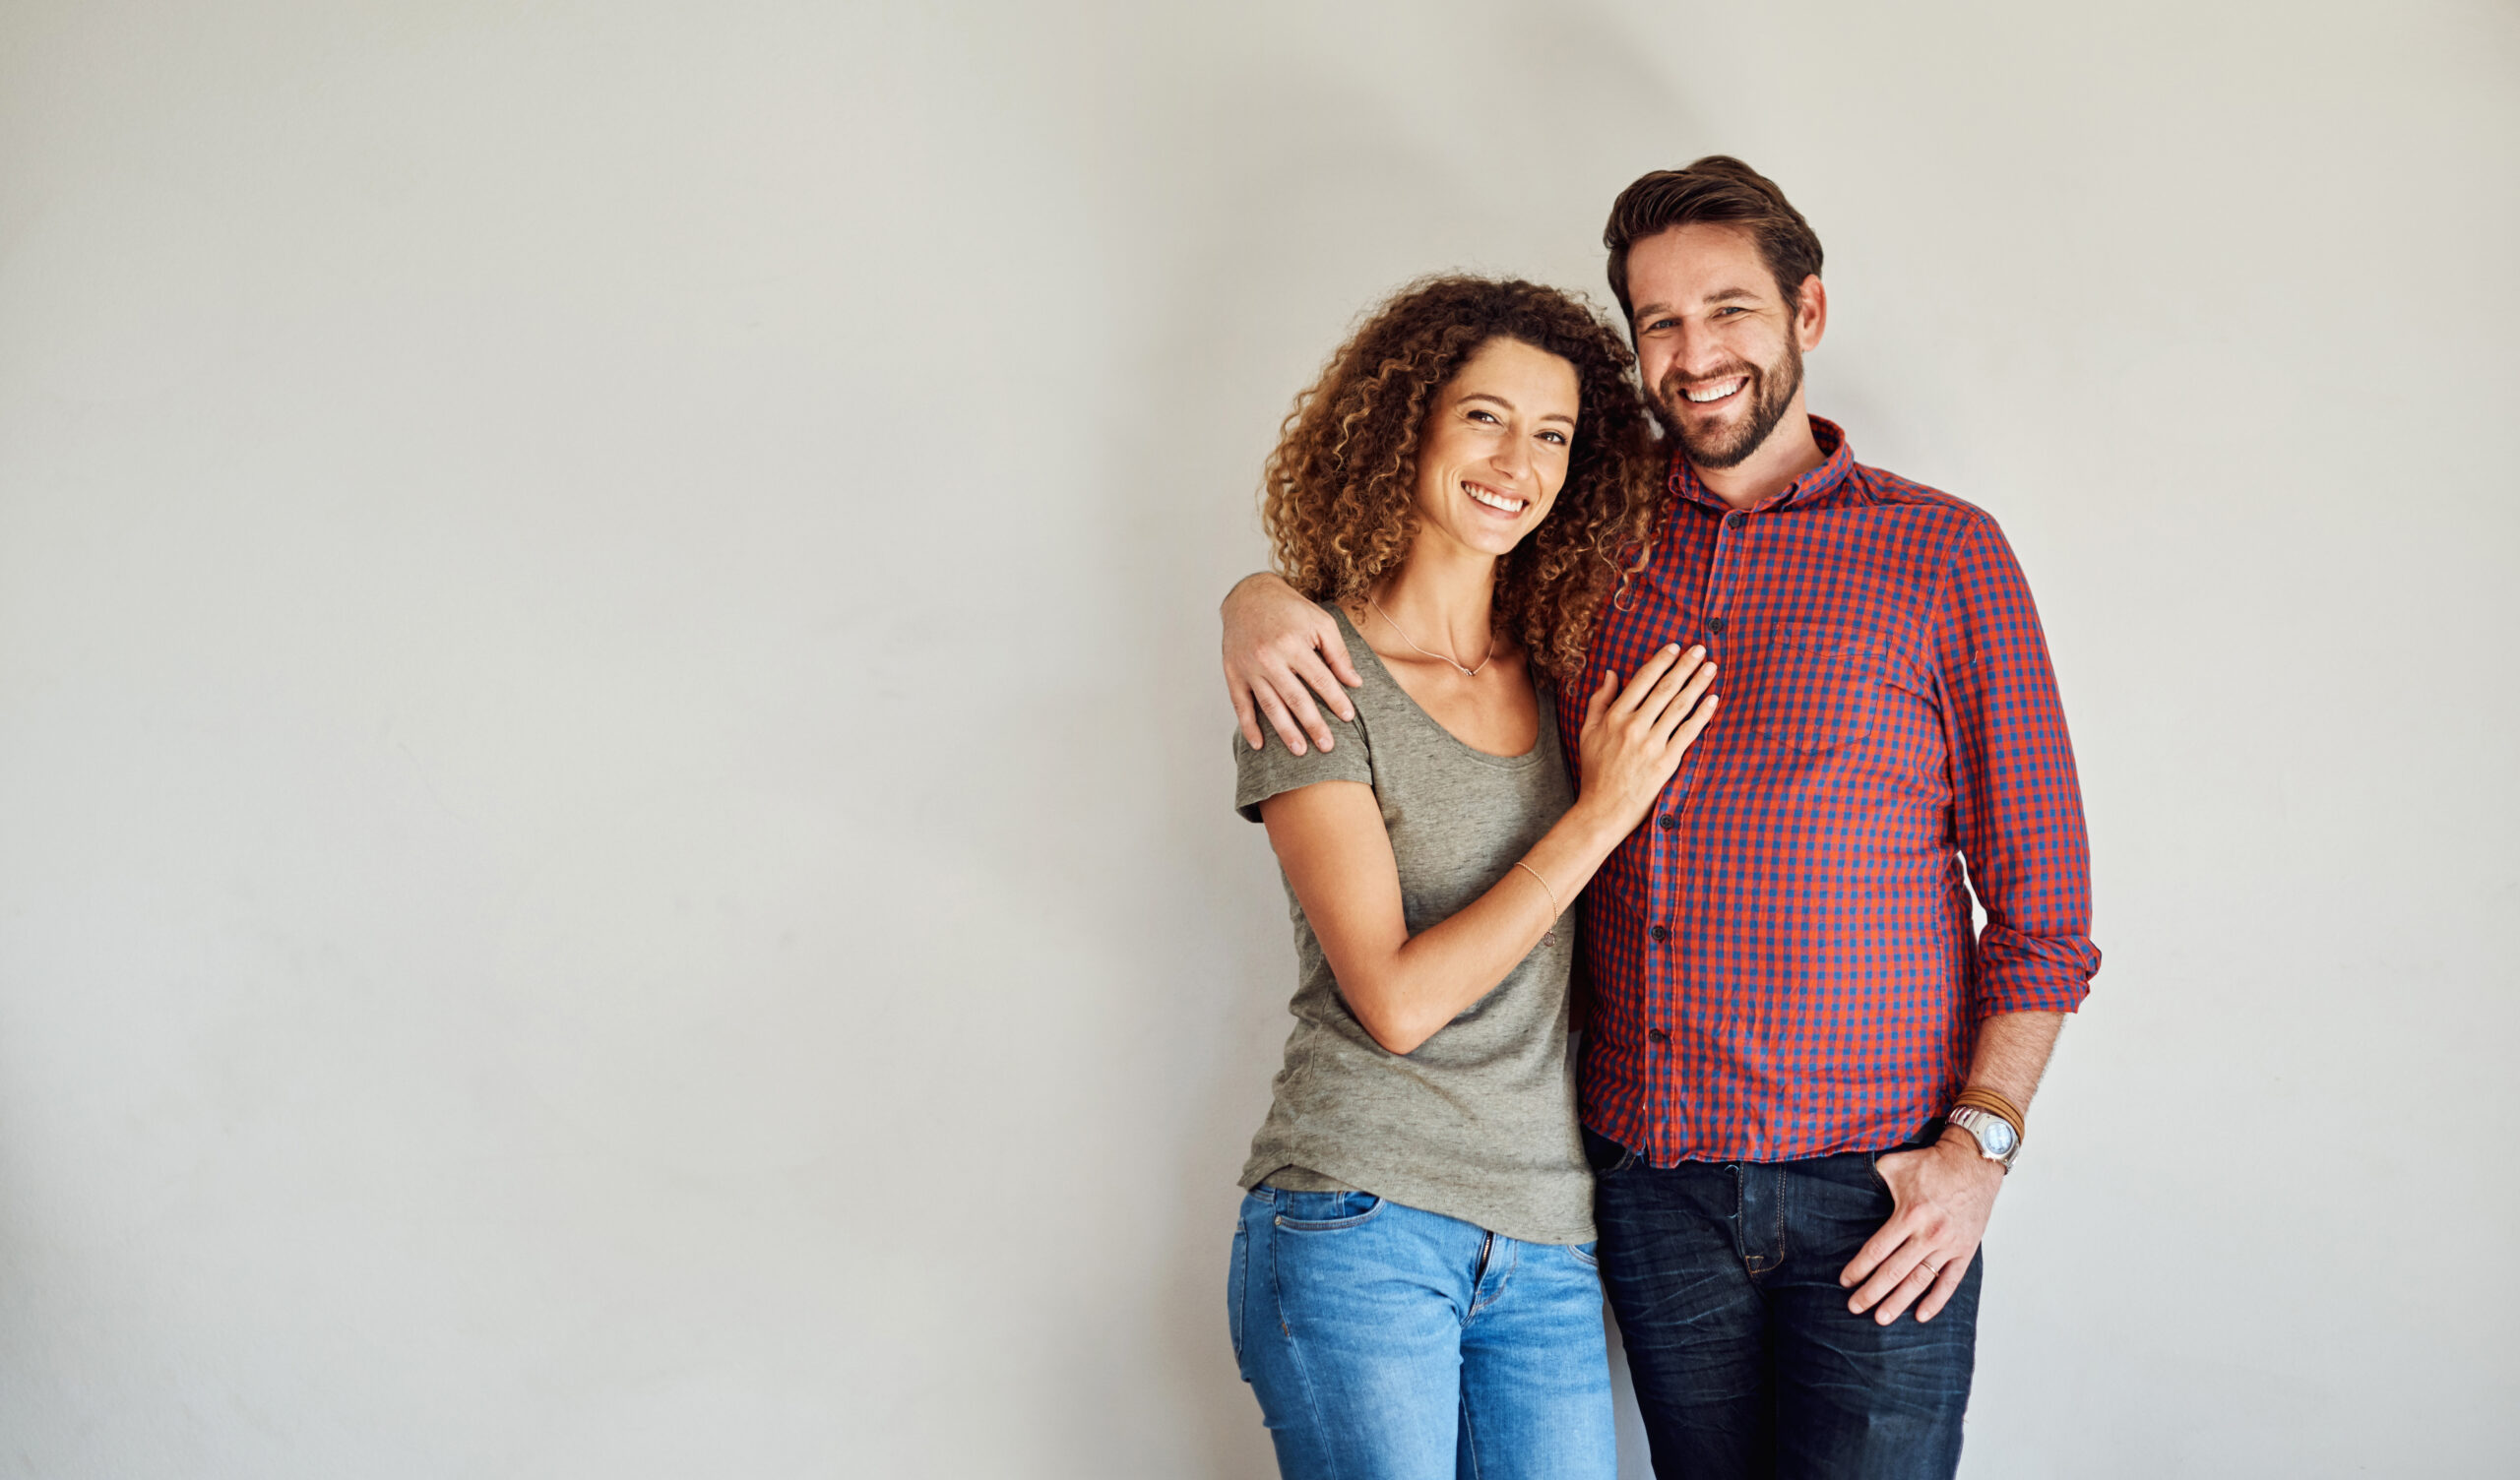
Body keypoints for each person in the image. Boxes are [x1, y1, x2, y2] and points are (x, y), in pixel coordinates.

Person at [1221, 158, 2101, 1479]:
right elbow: (1427, 568)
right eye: (1661, 323)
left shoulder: (1945, 557)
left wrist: (1978, 1151)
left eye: (1730, 311)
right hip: (1643, 1187)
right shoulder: (1596, 535)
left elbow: (2045, 916)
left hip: (1878, 1189)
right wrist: (1255, 597)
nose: (1696, 356)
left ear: (1807, 314)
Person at [1224, 276, 1722, 1480]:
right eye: (1485, 416)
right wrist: (1600, 813)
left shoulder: (1560, 673)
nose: (1519, 461)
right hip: (1359, 1217)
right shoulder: (1314, 675)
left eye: (1551, 434)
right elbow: (1393, 1001)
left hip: (1550, 1239)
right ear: (1410, 427)